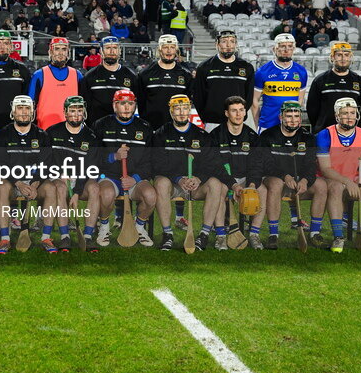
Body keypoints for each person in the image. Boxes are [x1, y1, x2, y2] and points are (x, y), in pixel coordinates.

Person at [152, 94, 230, 252]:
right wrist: (178, 178)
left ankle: (204, 234)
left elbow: (212, 163)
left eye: (185, 108)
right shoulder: (160, 134)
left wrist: (199, 178)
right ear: (171, 111)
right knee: (160, 182)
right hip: (173, 185)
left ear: (190, 110)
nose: (181, 112)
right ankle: (167, 234)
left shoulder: (201, 136)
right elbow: (156, 163)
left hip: (195, 186)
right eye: (177, 108)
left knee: (215, 184)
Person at [316, 97, 361, 253]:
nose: (349, 116)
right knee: (336, 188)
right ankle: (338, 237)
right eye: (345, 113)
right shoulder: (324, 135)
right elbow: (325, 169)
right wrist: (347, 182)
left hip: (356, 180)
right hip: (332, 179)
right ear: (337, 115)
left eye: (352, 113)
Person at [0, 95, 56, 254]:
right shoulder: (3, 135)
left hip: (34, 182)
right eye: (20, 108)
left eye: (27, 109)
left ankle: (46, 237)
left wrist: (35, 182)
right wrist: (18, 182)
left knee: (51, 189)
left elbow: (47, 164)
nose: (24, 113)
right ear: (13, 111)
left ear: (33, 112)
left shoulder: (42, 135)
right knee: (2, 187)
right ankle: (5, 239)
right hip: (12, 181)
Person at [91, 88, 157, 248]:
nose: (126, 107)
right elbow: (93, 157)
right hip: (109, 177)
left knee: (150, 196)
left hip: (134, 178)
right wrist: (114, 157)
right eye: (122, 103)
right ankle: (104, 225)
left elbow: (151, 161)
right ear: (115, 105)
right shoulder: (101, 125)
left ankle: (139, 226)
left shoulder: (145, 127)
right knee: (105, 194)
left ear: (135, 105)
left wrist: (134, 179)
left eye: (130, 103)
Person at [259, 102, 327, 250]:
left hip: (298, 181)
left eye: (296, 116)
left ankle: (315, 232)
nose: (293, 120)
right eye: (289, 116)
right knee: (276, 184)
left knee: (321, 185)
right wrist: (285, 176)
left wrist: (305, 180)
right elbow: (266, 164)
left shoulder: (308, 138)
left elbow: (310, 164)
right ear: (281, 117)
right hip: (275, 179)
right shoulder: (267, 136)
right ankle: (273, 234)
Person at [208, 96, 266, 249]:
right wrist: (233, 185)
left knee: (263, 190)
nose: (238, 114)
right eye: (234, 111)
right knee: (218, 188)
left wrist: (252, 184)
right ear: (226, 113)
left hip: (246, 179)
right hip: (225, 179)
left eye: (241, 110)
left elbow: (257, 164)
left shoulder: (253, 137)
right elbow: (215, 166)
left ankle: (254, 234)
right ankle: (220, 235)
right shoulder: (215, 135)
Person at [45, 96, 101, 252]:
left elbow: (90, 168)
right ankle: (65, 236)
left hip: (81, 178)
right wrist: (58, 173)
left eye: (80, 111)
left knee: (95, 188)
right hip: (58, 177)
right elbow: (46, 160)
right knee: (61, 188)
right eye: (72, 111)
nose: (76, 114)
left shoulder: (91, 137)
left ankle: (88, 236)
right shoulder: (52, 132)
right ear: (65, 112)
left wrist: (77, 192)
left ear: (84, 113)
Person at [192, 30, 255, 131]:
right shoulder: (204, 67)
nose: (228, 45)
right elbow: (198, 97)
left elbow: (249, 97)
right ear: (217, 44)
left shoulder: (246, 67)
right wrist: (206, 117)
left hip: (237, 123)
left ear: (236, 44)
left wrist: (238, 116)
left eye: (232, 41)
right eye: (224, 41)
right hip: (212, 122)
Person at [135, 34, 195, 129]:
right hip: (151, 128)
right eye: (165, 47)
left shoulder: (186, 75)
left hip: (177, 129)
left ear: (176, 50)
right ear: (159, 49)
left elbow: (188, 103)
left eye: (172, 47)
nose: (169, 51)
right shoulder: (145, 74)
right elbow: (141, 101)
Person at [252, 33, 308, 131]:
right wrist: (257, 125)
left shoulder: (301, 72)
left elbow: (300, 100)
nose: (286, 50)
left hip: (291, 127)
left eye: (290, 46)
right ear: (274, 49)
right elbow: (254, 101)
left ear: (294, 49)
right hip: (268, 125)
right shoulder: (262, 72)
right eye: (282, 46)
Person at [307, 42, 361, 132]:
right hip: (325, 132)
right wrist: (319, 127)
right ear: (332, 57)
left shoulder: (359, 81)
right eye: (339, 55)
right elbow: (312, 109)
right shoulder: (320, 80)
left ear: (350, 57)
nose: (343, 58)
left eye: (346, 55)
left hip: (351, 133)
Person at [29, 36, 82, 131]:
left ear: (68, 52)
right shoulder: (39, 75)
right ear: (50, 51)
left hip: (72, 130)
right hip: (45, 129)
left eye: (64, 49)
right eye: (57, 49)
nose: (60, 53)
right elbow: (31, 105)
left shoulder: (77, 75)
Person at [80, 36, 138, 123]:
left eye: (115, 48)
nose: (112, 51)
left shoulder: (131, 76)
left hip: (123, 128)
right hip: (96, 129)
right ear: (101, 51)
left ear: (119, 50)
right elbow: (84, 106)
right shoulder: (90, 76)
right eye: (108, 48)